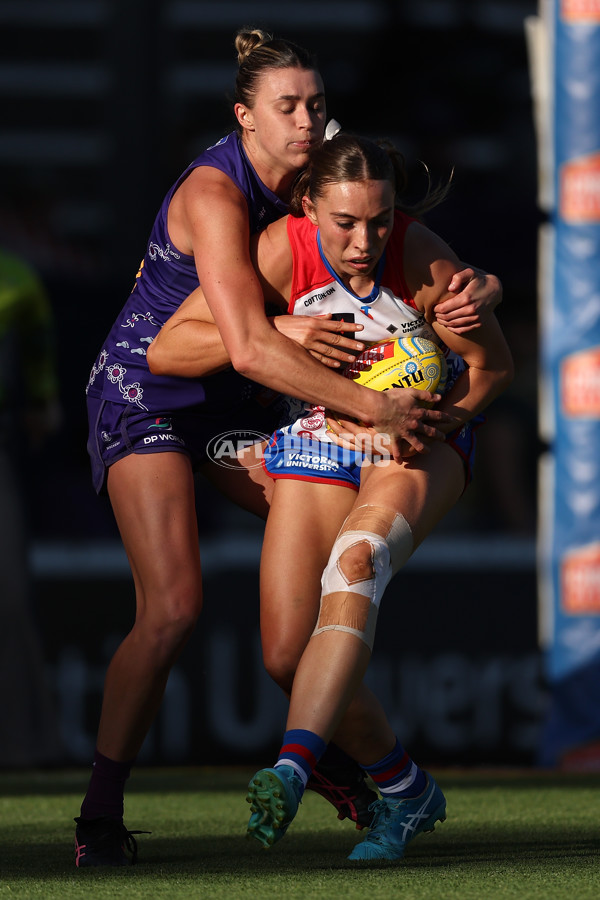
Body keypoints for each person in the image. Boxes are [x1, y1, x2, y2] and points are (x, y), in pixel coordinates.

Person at [78, 27, 501, 867]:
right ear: (245, 117)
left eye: (314, 103)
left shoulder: (325, 177)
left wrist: (476, 289)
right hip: (154, 389)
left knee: (299, 617)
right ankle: (99, 814)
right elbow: (240, 345)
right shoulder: (216, 194)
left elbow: (400, 231)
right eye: (287, 107)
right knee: (173, 607)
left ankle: (368, 773)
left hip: (257, 392)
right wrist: (375, 411)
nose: (308, 121)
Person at [0, 246, 62, 767]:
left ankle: (26, 749)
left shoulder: (16, 278)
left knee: (10, 599)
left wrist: (42, 401)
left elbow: (40, 358)